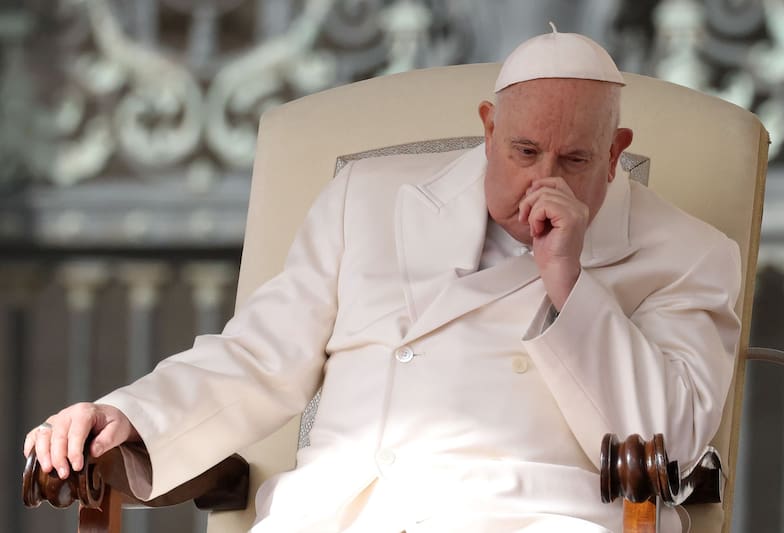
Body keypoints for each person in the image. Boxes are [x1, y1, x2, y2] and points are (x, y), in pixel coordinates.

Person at [24, 26, 741, 533]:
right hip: (338, 516)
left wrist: (570, 281)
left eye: (574, 158)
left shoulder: (687, 255)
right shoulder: (365, 200)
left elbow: (668, 444)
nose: (543, 180)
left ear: (616, 152)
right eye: (523, 150)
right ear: (488, 126)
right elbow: (255, 359)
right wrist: (133, 418)